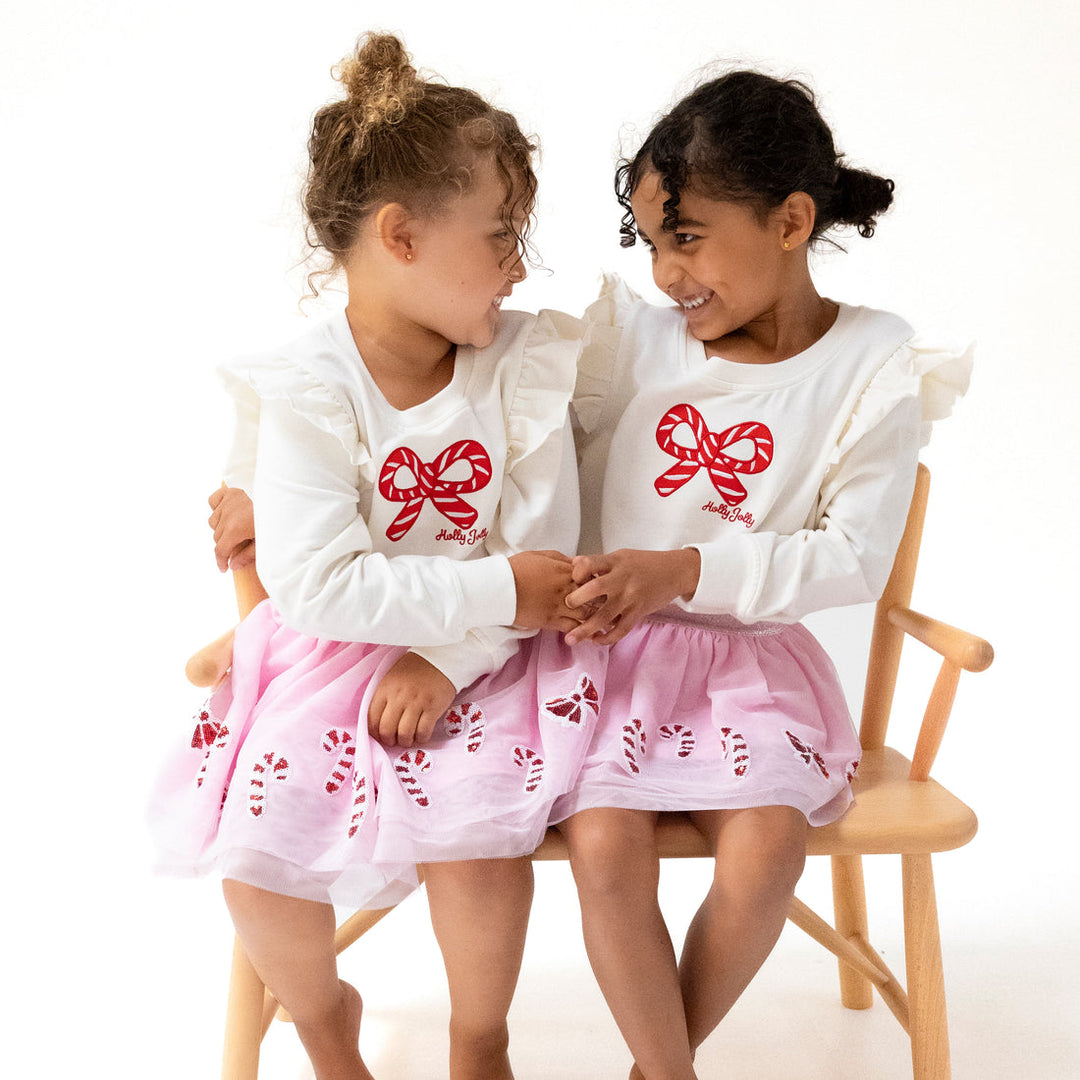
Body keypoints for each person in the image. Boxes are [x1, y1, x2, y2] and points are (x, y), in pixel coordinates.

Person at [149, 33, 599, 1080]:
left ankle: (477, 1036)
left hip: (489, 659)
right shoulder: (308, 389)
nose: (518, 265)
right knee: (258, 865)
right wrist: (492, 587)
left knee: (478, 849)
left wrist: (445, 655)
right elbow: (322, 584)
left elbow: (542, 558)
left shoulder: (520, 370)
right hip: (330, 649)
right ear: (401, 235)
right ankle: (320, 1021)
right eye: (499, 236)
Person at [550, 70, 972, 1079]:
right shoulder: (627, 341)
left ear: (790, 220)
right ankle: (674, 1072)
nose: (664, 274)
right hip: (613, 663)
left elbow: (853, 556)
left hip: (751, 670)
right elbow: (495, 428)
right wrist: (291, 481)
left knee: (766, 850)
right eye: (649, 242)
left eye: (686, 237)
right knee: (607, 847)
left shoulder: (871, 360)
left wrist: (684, 568)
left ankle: (657, 1065)